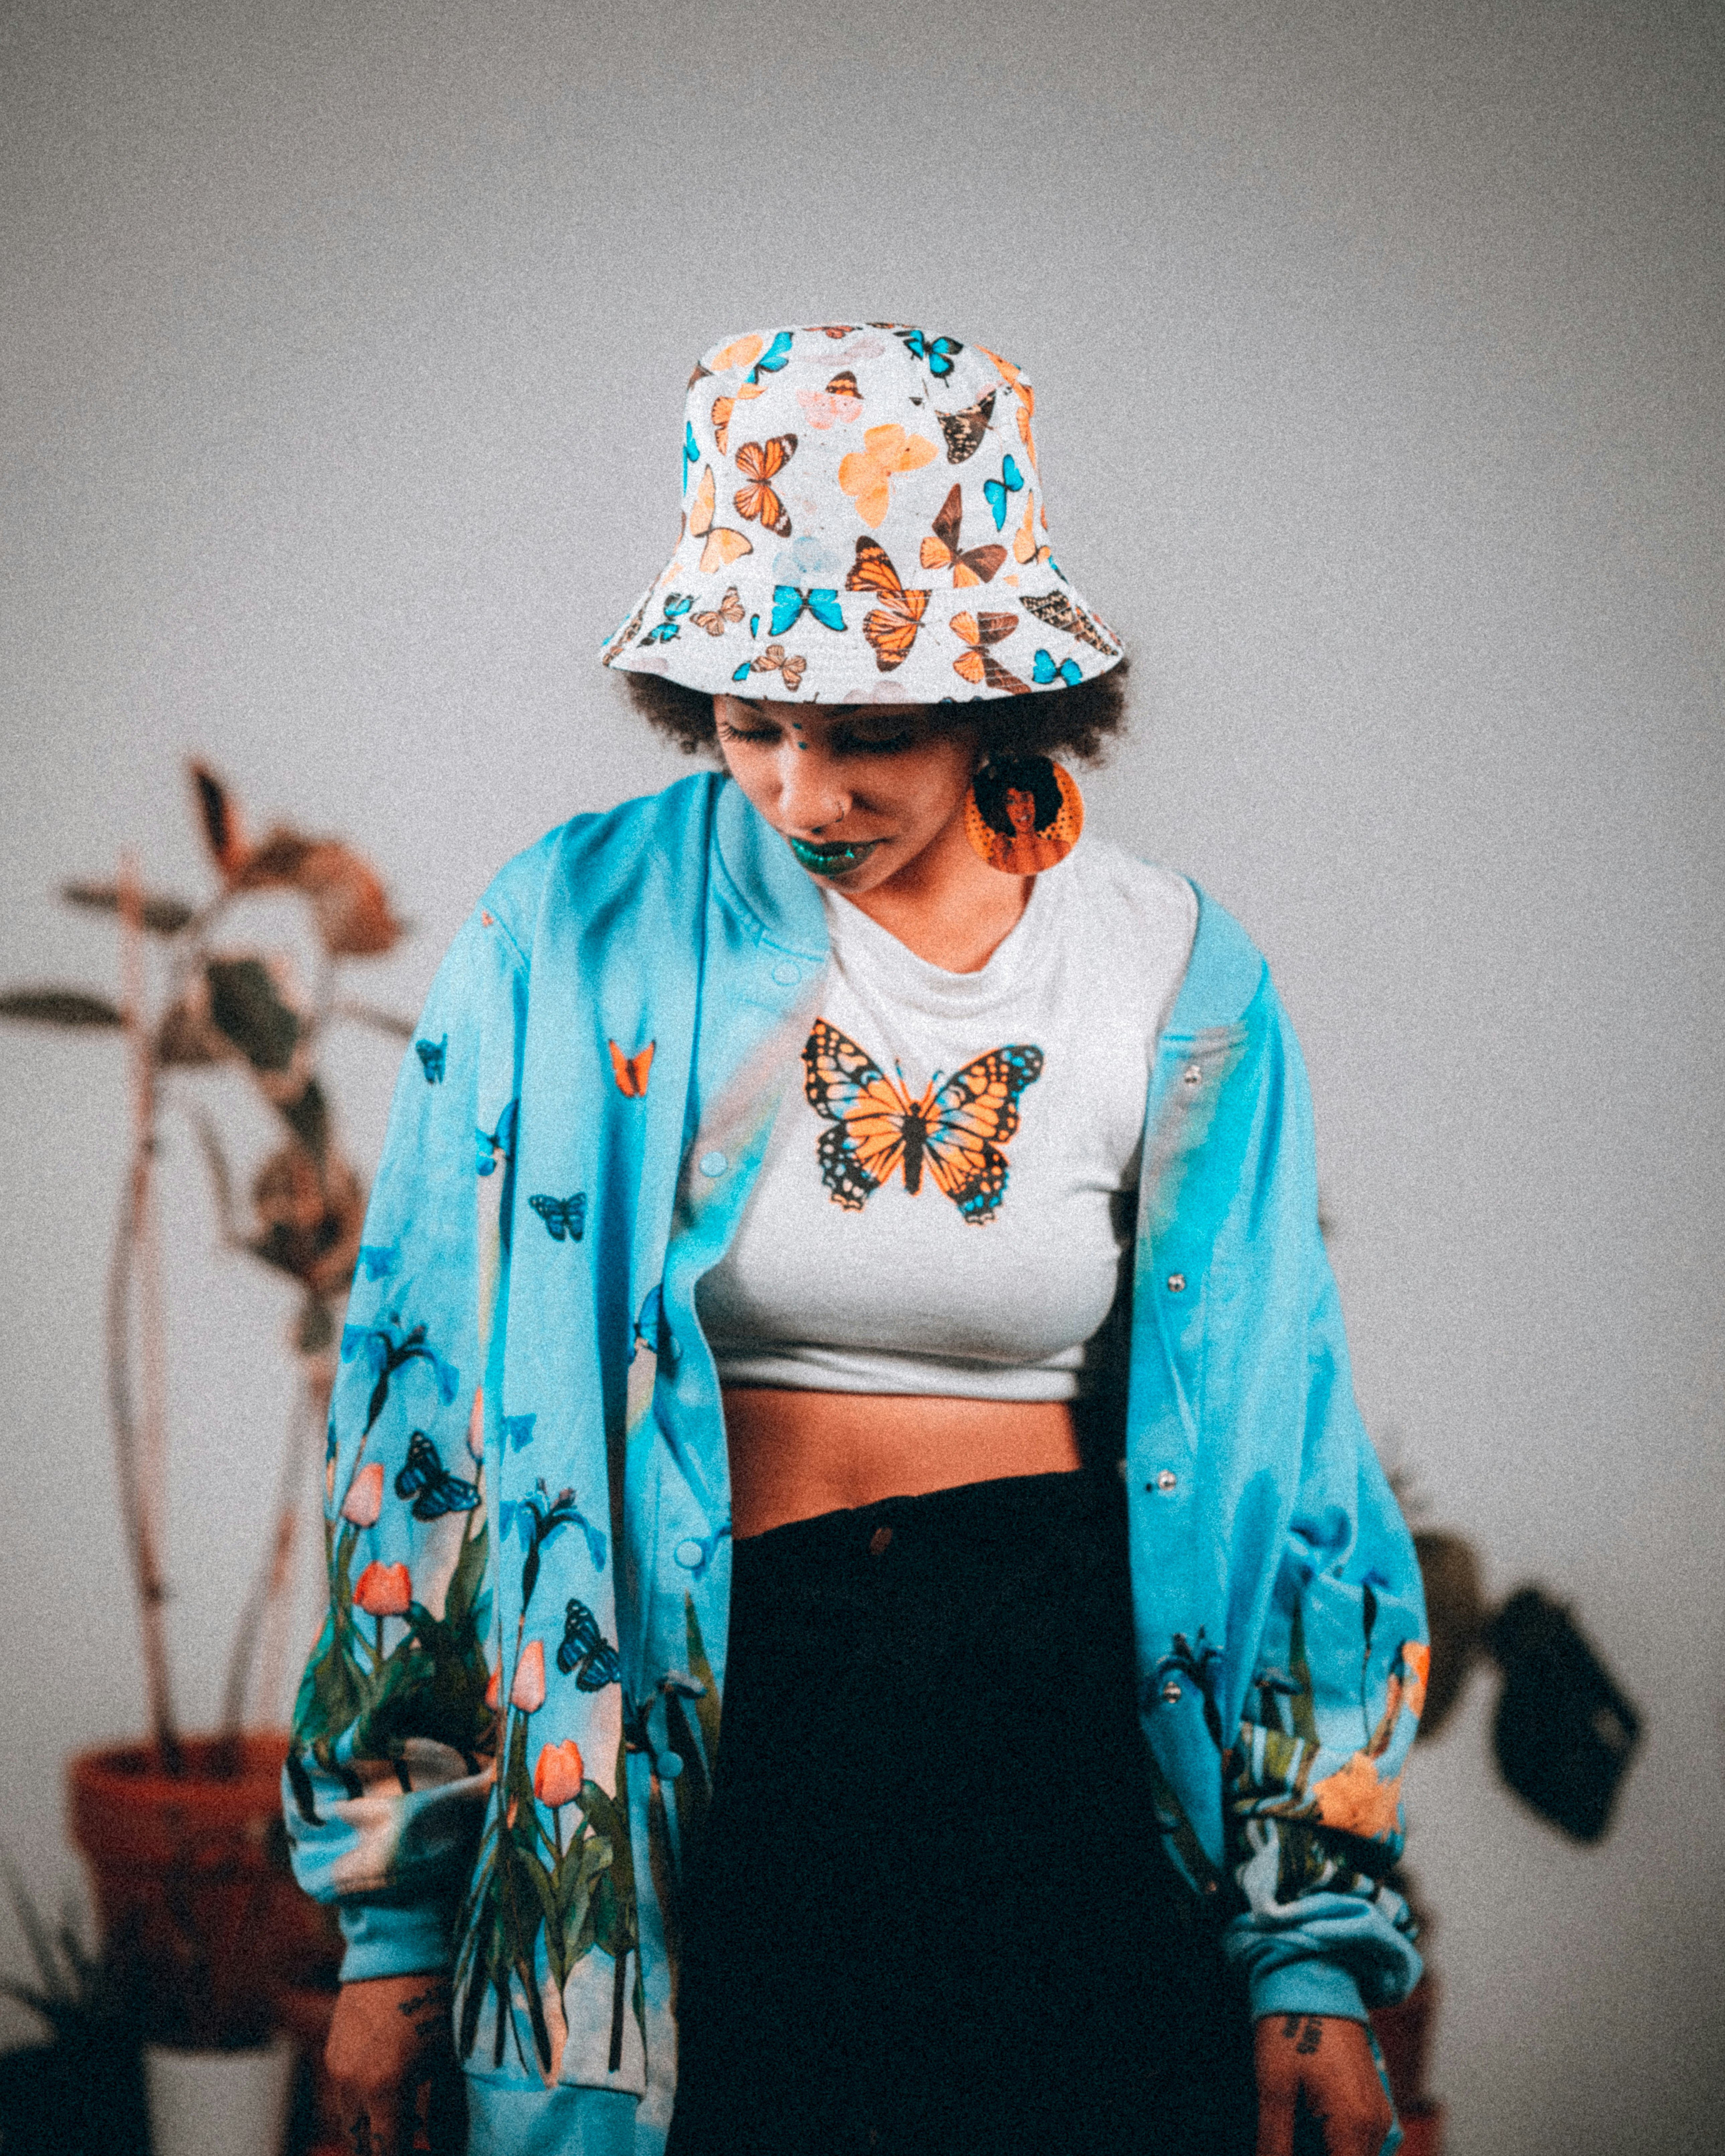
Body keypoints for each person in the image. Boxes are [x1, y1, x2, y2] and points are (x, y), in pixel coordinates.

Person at [286, 322, 1427, 2156]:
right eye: (753, 726)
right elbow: (418, 1422)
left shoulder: (1172, 974)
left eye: (871, 736)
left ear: (1002, 702)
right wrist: (395, 1918)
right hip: (711, 1742)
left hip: (1054, 1734)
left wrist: (1307, 1948)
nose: (807, 794)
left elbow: (1284, 1460)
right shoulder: (567, 935)